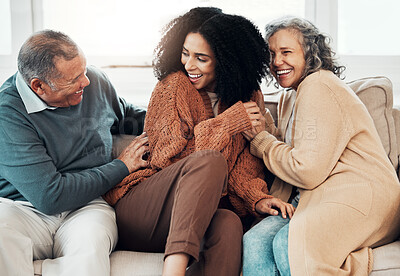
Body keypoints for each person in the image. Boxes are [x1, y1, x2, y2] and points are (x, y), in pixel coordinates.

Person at [103, 7, 294, 276]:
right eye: (185, 53)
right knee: (210, 161)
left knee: (228, 222)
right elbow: (166, 161)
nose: (188, 65)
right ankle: (173, 271)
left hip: (194, 217)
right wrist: (226, 124)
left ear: (226, 61)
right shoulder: (173, 87)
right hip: (143, 210)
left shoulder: (249, 98)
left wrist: (257, 199)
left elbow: (244, 167)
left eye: (201, 58)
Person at [242, 16, 400, 275]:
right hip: (316, 197)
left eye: (286, 52)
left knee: (290, 243)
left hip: (360, 194)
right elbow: (292, 147)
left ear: (310, 53)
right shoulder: (292, 95)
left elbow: (306, 170)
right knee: (255, 240)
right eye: (271, 54)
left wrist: (260, 139)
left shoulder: (319, 84)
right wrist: (263, 125)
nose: (276, 62)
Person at [0, 30, 148, 276]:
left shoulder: (95, 82)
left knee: (90, 247)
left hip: (87, 205)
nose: (85, 82)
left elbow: (129, 117)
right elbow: (50, 196)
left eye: (84, 71)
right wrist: (122, 166)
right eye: (73, 79)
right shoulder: (8, 115)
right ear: (38, 86)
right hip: (23, 208)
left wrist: (175, 121)